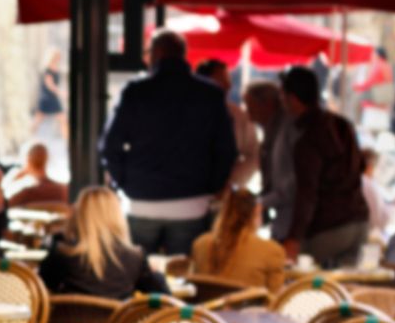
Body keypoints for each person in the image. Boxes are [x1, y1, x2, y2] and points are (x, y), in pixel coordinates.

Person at [99, 29, 237, 255]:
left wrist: (126, 182)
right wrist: (210, 187)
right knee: (182, 277)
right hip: (192, 203)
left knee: (137, 275)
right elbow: (226, 150)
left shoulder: (136, 92)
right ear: (183, 55)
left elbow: (110, 146)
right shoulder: (209, 94)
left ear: (156, 54)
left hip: (142, 200)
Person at [279, 65, 368, 269]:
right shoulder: (342, 125)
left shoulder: (308, 140)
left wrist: (294, 238)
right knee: (345, 288)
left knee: (307, 284)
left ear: (292, 98)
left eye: (282, 96)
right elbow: (361, 165)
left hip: (329, 227)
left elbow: (307, 194)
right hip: (359, 220)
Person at [38, 186, 168, 299]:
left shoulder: (62, 252)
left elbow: (42, 287)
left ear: (80, 214)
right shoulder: (135, 257)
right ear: (117, 216)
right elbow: (163, 297)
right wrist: (156, 274)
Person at [190, 187, 287, 293]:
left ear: (223, 211)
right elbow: (276, 298)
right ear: (256, 211)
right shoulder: (272, 251)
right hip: (250, 308)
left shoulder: (200, 244)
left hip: (205, 308)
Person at [198, 58, 261, 189]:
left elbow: (255, 153)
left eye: (228, 80)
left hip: (227, 193)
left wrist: (233, 180)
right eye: (221, 80)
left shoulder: (238, 115)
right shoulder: (189, 115)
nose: (228, 85)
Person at [244, 80, 293, 230]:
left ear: (268, 104)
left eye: (250, 106)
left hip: (291, 219)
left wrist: (261, 202)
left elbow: (288, 187)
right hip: (284, 215)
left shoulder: (284, 133)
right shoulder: (273, 130)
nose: (248, 113)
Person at [5, 143, 68, 207]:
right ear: (47, 159)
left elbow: (3, 206)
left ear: (28, 161)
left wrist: (13, 179)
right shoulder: (63, 190)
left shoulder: (25, 194)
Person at [33, 48, 67, 143]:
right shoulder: (48, 70)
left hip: (53, 97)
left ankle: (66, 140)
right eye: (57, 56)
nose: (59, 58)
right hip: (47, 97)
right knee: (38, 118)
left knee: (62, 119)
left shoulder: (56, 68)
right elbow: (50, 85)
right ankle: (29, 136)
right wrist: (61, 93)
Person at [360, 149, 393, 241]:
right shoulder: (368, 185)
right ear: (370, 167)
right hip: (364, 237)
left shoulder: (355, 181)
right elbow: (379, 221)